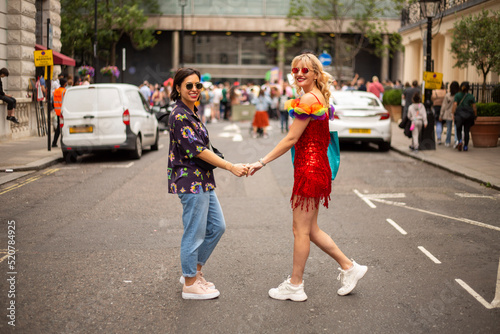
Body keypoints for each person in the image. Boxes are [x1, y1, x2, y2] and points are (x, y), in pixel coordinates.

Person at [246, 53, 367, 302]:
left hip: (309, 171)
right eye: (295, 70)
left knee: (300, 230)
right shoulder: (316, 97)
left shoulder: (309, 99)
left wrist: (261, 162)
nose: (299, 74)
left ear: (315, 74)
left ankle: (295, 285)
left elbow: (291, 138)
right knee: (310, 229)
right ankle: (349, 267)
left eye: (305, 70)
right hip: (316, 167)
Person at [167, 68, 248, 300]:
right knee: (194, 232)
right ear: (178, 89)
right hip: (191, 182)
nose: (194, 89)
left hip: (202, 181)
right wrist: (230, 166)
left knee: (217, 226)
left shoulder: (191, 112)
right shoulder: (179, 115)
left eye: (197, 85)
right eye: (189, 86)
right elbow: (198, 150)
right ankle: (190, 284)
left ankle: (193, 272)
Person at [452, 81, 477, 152]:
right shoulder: (471, 96)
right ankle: (465, 146)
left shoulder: (457, 95)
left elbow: (454, 105)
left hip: (459, 115)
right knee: (466, 131)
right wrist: (475, 115)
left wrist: (453, 114)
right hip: (468, 116)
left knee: (458, 129)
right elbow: (474, 107)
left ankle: (459, 141)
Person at [439, 81, 459, 147]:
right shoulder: (458, 95)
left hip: (448, 113)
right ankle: (456, 141)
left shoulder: (447, 95)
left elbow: (444, 106)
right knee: (456, 128)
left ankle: (448, 141)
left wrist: (441, 115)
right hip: (456, 113)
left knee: (449, 128)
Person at [52, 78, 67, 147]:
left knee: (58, 128)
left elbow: (53, 102)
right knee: (64, 128)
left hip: (57, 111)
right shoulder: (64, 91)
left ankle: (54, 142)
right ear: (65, 84)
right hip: (63, 112)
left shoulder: (55, 91)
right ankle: (63, 142)